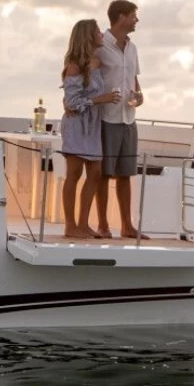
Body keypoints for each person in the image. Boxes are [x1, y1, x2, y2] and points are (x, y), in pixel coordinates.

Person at [60, 19, 121, 239]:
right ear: (87, 35)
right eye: (97, 31)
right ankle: (70, 225)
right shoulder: (75, 65)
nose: (101, 33)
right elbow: (72, 103)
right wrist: (100, 99)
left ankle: (84, 224)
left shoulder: (96, 61)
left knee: (95, 173)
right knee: (74, 174)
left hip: (93, 127)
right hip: (77, 125)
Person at [95, 0, 147, 240]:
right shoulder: (100, 45)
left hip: (129, 119)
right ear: (120, 17)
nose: (136, 20)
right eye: (133, 15)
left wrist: (139, 96)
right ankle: (103, 226)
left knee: (126, 174)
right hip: (107, 118)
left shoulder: (133, 47)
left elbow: (134, 81)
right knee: (104, 174)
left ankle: (127, 226)